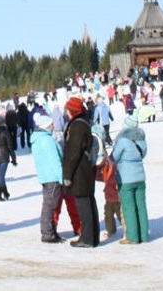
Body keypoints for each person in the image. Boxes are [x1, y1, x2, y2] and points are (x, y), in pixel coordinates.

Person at [61, 96, 99, 248]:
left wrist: (67, 175)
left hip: (80, 171)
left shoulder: (76, 126)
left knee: (83, 204)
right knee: (89, 202)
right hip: (87, 168)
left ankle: (87, 238)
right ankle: (92, 236)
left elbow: (72, 153)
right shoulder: (85, 122)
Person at [111, 113, 149, 243]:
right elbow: (143, 154)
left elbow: (114, 158)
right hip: (140, 176)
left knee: (129, 207)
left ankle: (132, 236)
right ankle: (144, 235)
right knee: (141, 206)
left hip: (126, 177)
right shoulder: (142, 139)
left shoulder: (122, 140)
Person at [31, 112, 64, 243]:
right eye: (51, 125)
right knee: (50, 206)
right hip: (52, 177)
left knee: (49, 205)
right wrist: (62, 177)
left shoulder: (38, 139)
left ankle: (50, 231)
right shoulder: (46, 140)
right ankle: (48, 233)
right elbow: (54, 161)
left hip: (45, 176)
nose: (52, 127)